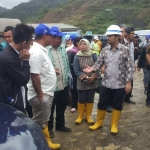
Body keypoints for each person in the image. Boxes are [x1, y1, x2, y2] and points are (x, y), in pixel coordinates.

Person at [83, 25, 133, 135]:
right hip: (106, 83)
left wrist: (128, 82)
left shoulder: (125, 50)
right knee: (102, 103)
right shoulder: (105, 50)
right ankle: (99, 123)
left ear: (117, 37)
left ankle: (114, 125)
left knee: (117, 104)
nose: (108, 38)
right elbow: (99, 63)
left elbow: (129, 67)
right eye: (108, 36)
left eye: (110, 36)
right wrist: (91, 69)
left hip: (120, 84)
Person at [27, 24, 60, 150]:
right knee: (39, 123)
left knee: (43, 120)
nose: (52, 38)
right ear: (45, 36)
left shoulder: (41, 50)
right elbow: (34, 75)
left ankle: (45, 143)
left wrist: (52, 70)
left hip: (45, 93)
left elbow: (40, 70)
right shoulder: (36, 52)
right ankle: (39, 145)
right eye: (51, 36)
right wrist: (40, 95)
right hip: (41, 95)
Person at [0, 23, 34, 113]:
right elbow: (23, 80)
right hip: (12, 104)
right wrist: (26, 61)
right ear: (24, 43)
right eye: (30, 41)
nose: (31, 43)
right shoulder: (9, 59)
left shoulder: (14, 53)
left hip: (15, 100)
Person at [47, 26, 72, 138]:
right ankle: (49, 129)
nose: (60, 40)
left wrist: (68, 79)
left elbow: (66, 64)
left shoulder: (62, 48)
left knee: (61, 106)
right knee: (50, 109)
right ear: (51, 38)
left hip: (64, 84)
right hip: (52, 86)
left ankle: (60, 125)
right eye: (58, 38)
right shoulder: (46, 51)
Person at [73, 39, 99, 125]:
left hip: (93, 81)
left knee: (90, 99)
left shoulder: (93, 55)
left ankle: (88, 116)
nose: (83, 46)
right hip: (81, 81)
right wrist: (87, 78)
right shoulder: (77, 56)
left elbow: (98, 66)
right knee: (81, 99)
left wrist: (93, 77)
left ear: (88, 45)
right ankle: (80, 116)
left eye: (84, 44)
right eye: (81, 44)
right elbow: (76, 70)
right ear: (79, 46)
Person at [67, 37, 83, 113]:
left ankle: (81, 104)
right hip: (73, 74)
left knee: (81, 89)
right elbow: (69, 64)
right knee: (74, 90)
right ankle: (74, 105)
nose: (83, 45)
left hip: (81, 73)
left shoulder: (82, 52)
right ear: (77, 43)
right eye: (81, 43)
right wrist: (77, 69)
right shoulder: (71, 52)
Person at [123, 27, 136, 104]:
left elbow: (132, 55)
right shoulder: (122, 43)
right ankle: (121, 99)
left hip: (130, 66)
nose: (133, 35)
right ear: (127, 34)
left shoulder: (132, 43)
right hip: (123, 66)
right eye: (132, 33)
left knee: (131, 82)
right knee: (123, 83)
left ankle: (127, 98)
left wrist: (133, 64)